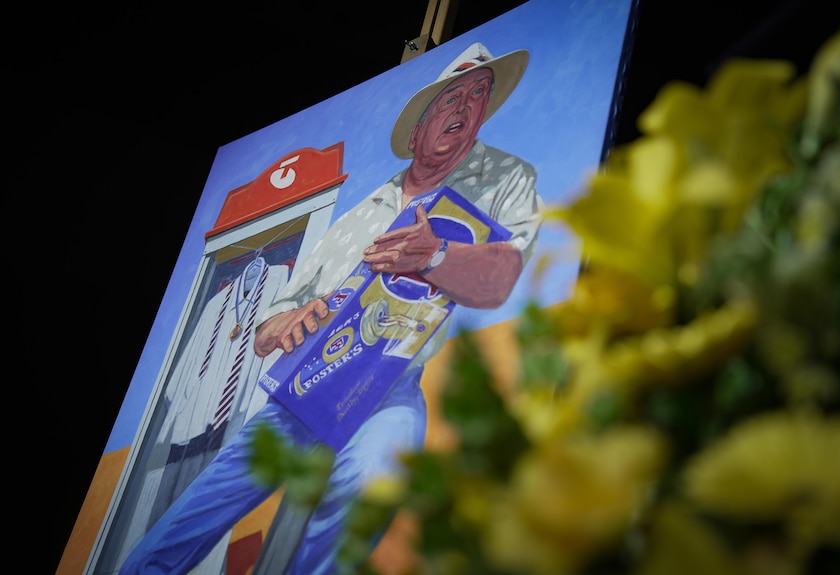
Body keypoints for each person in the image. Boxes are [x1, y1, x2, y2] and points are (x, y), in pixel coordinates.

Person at [119, 41, 543, 575]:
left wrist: (436, 255)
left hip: (391, 386)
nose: (466, 105)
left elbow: (503, 276)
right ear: (415, 134)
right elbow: (268, 329)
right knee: (202, 508)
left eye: (479, 93)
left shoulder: (507, 177)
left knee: (375, 481)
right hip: (310, 379)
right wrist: (286, 323)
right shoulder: (359, 214)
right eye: (451, 97)